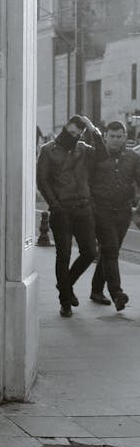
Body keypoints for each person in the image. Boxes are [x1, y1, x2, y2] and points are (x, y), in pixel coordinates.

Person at [36, 114, 107, 317]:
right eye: (71, 132)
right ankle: (65, 302)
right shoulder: (48, 150)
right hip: (62, 211)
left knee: (90, 252)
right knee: (64, 254)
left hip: (83, 208)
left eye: (78, 133)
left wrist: (93, 130)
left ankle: (65, 285)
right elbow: (42, 180)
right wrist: (56, 206)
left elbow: (102, 156)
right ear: (65, 127)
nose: (73, 135)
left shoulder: (83, 148)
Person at [88, 119, 140, 310]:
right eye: (112, 136)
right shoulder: (96, 156)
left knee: (109, 251)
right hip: (102, 210)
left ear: (125, 137)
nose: (116, 140)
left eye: (119, 137)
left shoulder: (133, 158)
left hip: (124, 212)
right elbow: (87, 181)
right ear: (106, 136)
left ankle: (95, 290)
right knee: (111, 249)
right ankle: (117, 293)